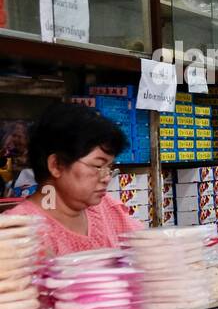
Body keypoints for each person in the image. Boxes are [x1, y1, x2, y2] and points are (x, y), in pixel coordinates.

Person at [4, 103, 142, 256]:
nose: (107, 177)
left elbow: (147, 251)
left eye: (110, 167)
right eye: (98, 166)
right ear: (56, 165)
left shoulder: (107, 208)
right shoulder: (17, 233)